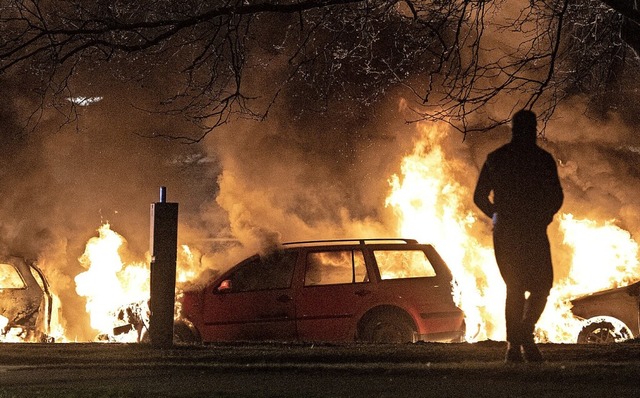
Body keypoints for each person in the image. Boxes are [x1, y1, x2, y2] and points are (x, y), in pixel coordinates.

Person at [473, 109, 563, 363]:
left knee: (521, 288)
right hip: (529, 231)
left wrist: (495, 214)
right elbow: (556, 196)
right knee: (537, 287)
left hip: (511, 232)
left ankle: (518, 340)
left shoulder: (498, 158)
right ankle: (522, 341)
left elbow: (480, 196)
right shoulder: (541, 159)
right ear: (531, 129)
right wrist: (544, 215)